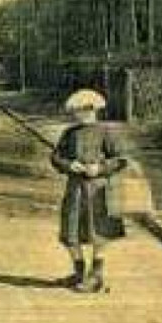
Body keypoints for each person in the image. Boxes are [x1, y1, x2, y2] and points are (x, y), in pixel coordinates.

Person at [51, 88, 131, 293]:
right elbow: (55, 157)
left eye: (86, 110)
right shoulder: (69, 133)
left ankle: (96, 275)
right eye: (78, 110)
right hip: (75, 189)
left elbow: (121, 159)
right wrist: (69, 165)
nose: (82, 114)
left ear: (94, 110)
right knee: (70, 232)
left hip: (98, 191)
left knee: (99, 232)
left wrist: (101, 168)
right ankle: (78, 272)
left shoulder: (105, 132)